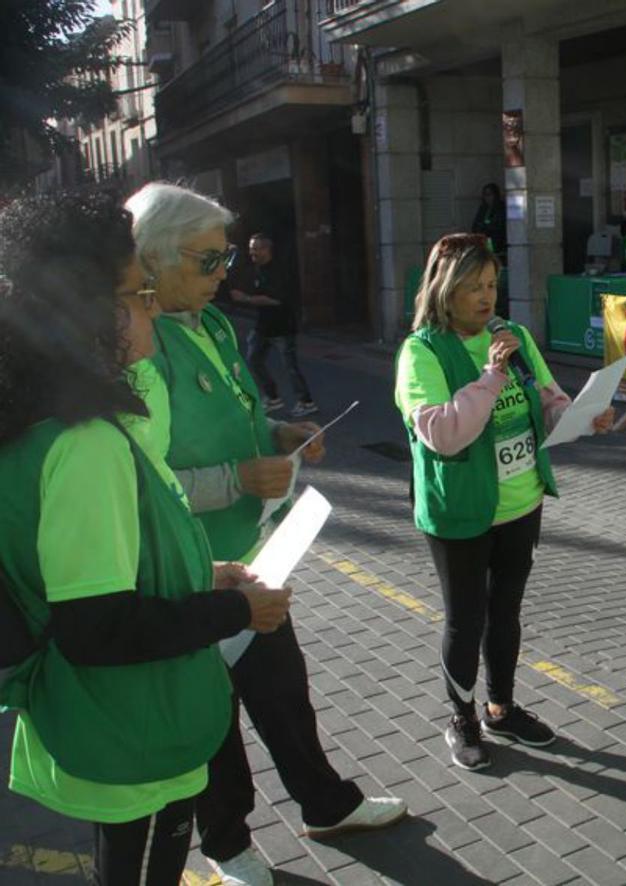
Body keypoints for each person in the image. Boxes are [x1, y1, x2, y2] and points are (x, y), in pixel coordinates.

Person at [0, 191, 292, 886]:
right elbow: (97, 626)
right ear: (84, 316)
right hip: (133, 728)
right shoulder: (87, 443)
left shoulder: (37, 425)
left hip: (105, 725)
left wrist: (206, 572)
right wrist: (236, 610)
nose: (153, 307)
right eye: (136, 295)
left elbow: (106, 568)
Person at [124, 182, 405, 886]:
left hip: (257, 556)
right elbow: (135, 482)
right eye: (210, 260)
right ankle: (226, 843)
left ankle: (326, 803)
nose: (228, 274)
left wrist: (283, 435)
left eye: (226, 258)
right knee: (215, 720)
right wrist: (236, 479)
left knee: (284, 691)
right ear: (154, 259)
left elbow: (248, 420)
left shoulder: (212, 325)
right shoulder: (137, 341)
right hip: (195, 569)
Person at [395, 232, 614, 770]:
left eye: (491, 284)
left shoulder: (511, 334)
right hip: (460, 511)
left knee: (506, 613)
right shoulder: (421, 351)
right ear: (444, 290)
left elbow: (547, 400)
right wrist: (491, 376)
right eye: (472, 286)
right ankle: (462, 717)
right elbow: (445, 434)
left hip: (521, 502)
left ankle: (501, 706)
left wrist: (580, 416)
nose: (486, 297)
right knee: (464, 619)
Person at [231, 233, 319, 418]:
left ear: (266, 249)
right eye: (250, 248)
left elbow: (275, 300)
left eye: (255, 248)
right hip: (263, 327)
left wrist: (246, 298)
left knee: (290, 367)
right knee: (253, 360)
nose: (251, 252)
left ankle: (306, 402)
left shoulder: (279, 271)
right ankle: (272, 397)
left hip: (282, 327)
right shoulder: (256, 270)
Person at [471, 183, 507, 261]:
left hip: (497, 242)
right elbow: (475, 225)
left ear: (495, 195)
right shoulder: (483, 208)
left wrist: (485, 226)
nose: (487, 198)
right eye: (485, 195)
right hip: (483, 242)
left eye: (489, 194)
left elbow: (497, 225)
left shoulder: (501, 208)